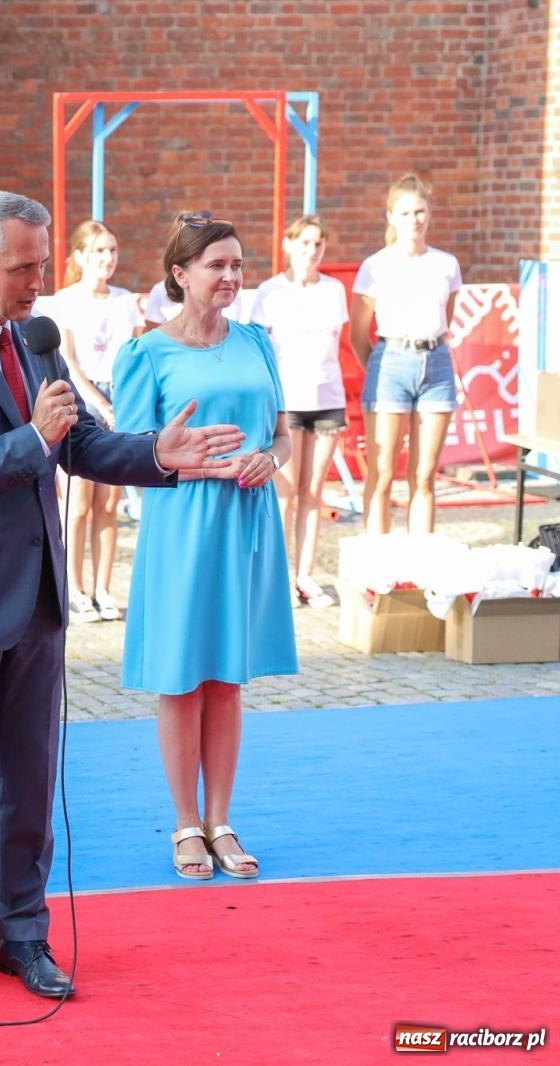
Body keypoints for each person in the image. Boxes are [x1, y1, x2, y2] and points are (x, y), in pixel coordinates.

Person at [0, 191, 241, 1001]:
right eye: (23, 266)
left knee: (32, 779)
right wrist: (30, 440)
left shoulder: (38, 343)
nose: (39, 280)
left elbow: (77, 444)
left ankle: (24, 934)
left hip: (37, 600)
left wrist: (159, 453)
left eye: (43, 263)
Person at [113, 212, 298, 884]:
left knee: (227, 677)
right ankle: (185, 823)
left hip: (248, 522)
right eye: (216, 265)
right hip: (181, 525)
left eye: (237, 265)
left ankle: (221, 821)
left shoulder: (257, 341)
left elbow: (282, 436)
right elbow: (129, 454)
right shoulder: (146, 353)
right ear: (179, 274)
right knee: (181, 676)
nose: (229, 276)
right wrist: (200, 467)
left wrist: (270, 463)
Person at [40, 220, 144, 623]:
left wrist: (126, 404)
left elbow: (134, 357)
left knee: (109, 503)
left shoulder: (124, 300)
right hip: (83, 398)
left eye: (113, 250)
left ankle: (103, 588)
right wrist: (98, 402)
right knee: (79, 504)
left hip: (120, 398)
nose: (108, 258)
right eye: (99, 251)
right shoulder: (65, 300)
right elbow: (68, 360)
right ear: (81, 256)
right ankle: (75, 588)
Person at [350, 174, 462, 535]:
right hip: (391, 361)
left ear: (429, 213)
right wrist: (380, 370)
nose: (414, 219)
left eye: (420, 211)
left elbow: (447, 318)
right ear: (391, 217)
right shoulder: (376, 265)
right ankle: (377, 567)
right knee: (382, 474)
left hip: (436, 363)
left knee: (425, 474)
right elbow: (357, 334)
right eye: (405, 212)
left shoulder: (446, 264)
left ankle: (421, 569)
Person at [251, 215, 350, 607]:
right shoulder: (271, 292)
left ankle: (306, 575)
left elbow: (335, 343)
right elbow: (260, 348)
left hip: (326, 397)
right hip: (286, 402)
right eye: (304, 243)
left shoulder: (334, 290)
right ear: (288, 245)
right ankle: (280, 578)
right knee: (285, 493)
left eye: (318, 244)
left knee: (313, 491)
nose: (312, 251)